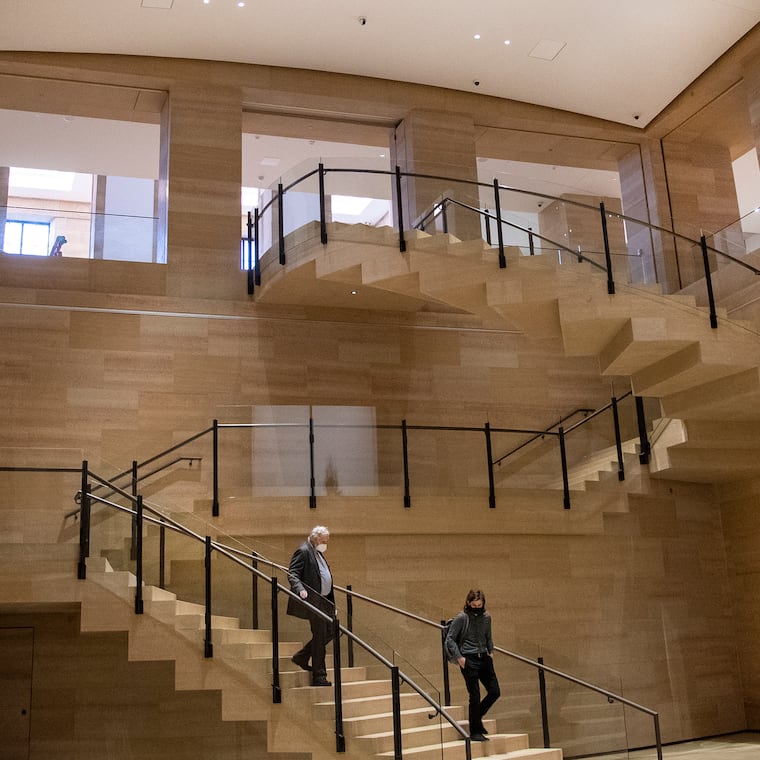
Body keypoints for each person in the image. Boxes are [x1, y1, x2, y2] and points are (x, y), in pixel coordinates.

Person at [445, 589, 501, 742]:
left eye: (479, 604)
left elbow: (488, 636)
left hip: (484, 657)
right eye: (474, 604)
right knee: (474, 695)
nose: (477, 607)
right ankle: (475, 731)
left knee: (495, 691)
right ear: (469, 603)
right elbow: (450, 639)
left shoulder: (487, 617)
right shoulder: (462, 618)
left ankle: (477, 717)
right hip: (468, 659)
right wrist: (460, 658)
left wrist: (491, 652)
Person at [287, 525, 335, 686]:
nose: (325, 544)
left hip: (324, 601)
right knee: (320, 635)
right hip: (313, 601)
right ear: (315, 538)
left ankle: (301, 656)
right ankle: (319, 676)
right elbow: (292, 573)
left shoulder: (318, 552)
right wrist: (300, 589)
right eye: (323, 541)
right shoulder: (303, 551)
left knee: (331, 631)